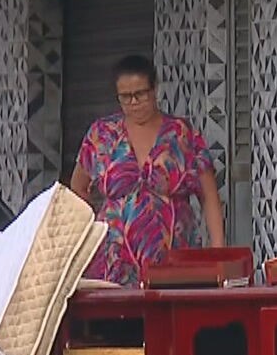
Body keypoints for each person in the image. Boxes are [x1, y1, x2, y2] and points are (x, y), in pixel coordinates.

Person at [69, 55, 227, 287]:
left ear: (154, 89)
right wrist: (87, 240)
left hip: (174, 260)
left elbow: (209, 196)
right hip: (114, 262)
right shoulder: (101, 135)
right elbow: (78, 189)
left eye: (140, 94)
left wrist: (218, 253)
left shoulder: (181, 134)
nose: (134, 102)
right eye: (125, 97)